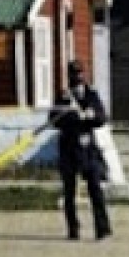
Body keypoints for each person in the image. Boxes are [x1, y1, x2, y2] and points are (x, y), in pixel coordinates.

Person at [47, 60, 112, 241]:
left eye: (80, 73)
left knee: (95, 189)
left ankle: (102, 228)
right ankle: (73, 229)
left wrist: (91, 116)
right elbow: (53, 120)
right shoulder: (63, 97)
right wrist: (73, 117)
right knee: (69, 192)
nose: (77, 77)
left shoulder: (91, 95)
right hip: (69, 148)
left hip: (87, 148)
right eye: (74, 74)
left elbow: (102, 118)